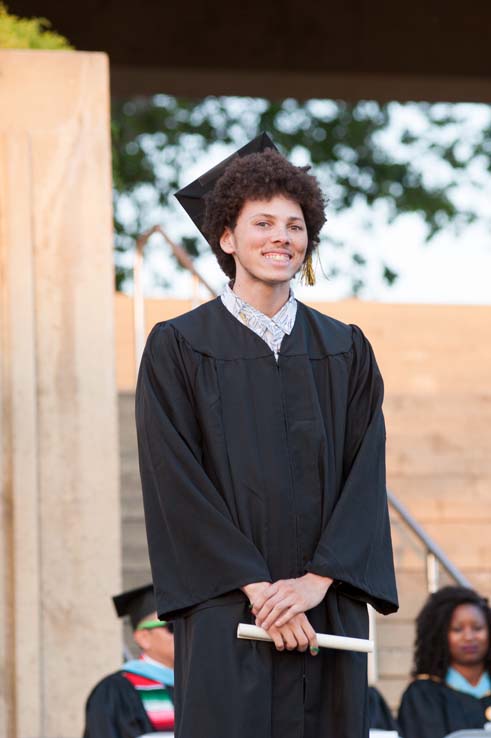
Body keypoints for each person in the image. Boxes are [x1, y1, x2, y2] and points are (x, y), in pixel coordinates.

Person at [136, 133, 398, 738]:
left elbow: (366, 473)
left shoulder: (344, 348)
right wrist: (261, 591)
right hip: (229, 606)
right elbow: (174, 480)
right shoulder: (178, 346)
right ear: (226, 238)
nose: (282, 235)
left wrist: (313, 584)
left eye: (295, 224)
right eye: (263, 223)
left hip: (324, 608)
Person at [398, 585, 491, 738]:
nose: (469, 637)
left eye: (477, 628)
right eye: (457, 629)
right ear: (439, 635)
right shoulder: (423, 695)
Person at [83, 583, 175, 738]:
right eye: (171, 627)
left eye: (184, 626)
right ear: (144, 638)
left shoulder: (200, 686)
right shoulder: (113, 692)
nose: (181, 634)